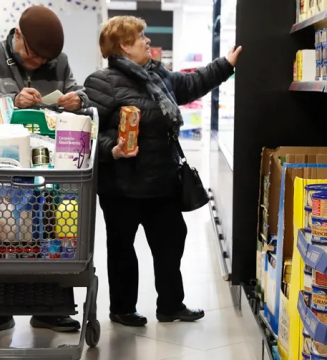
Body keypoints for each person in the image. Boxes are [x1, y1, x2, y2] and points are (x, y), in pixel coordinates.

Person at [84, 16, 242, 327]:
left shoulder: (158, 76)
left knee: (171, 242)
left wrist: (227, 63)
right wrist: (112, 149)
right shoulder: (101, 82)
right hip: (122, 187)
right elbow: (91, 131)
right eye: (140, 37)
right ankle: (123, 309)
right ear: (123, 46)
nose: (147, 41)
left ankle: (170, 305)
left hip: (163, 183)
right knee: (122, 248)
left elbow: (192, 83)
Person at [0, 6, 86, 335]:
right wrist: (11, 100)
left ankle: (53, 309)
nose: (39, 64)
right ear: (18, 36)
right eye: (33, 57)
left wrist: (77, 100)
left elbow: (79, 92)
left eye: (45, 61)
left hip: (49, 166)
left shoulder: (59, 61)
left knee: (51, 231)